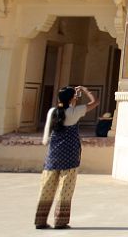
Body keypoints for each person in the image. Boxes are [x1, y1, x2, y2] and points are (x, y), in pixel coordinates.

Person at [35, 84, 97, 229]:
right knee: (65, 188)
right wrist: (85, 90)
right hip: (70, 155)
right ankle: (60, 221)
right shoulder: (75, 112)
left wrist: (73, 98)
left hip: (53, 155)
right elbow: (95, 102)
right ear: (72, 98)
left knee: (47, 187)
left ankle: (40, 220)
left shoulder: (53, 112)